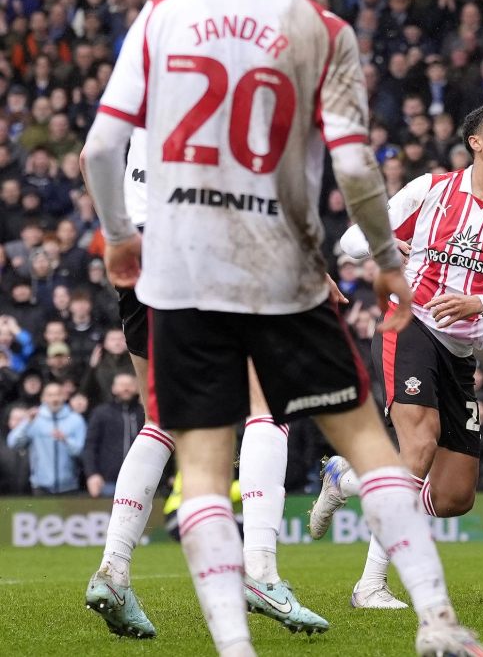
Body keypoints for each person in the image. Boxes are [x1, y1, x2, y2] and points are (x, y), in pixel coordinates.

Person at [80, 0, 483, 657]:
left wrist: (119, 241)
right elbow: (357, 165)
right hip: (280, 267)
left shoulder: (162, 15)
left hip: (178, 270)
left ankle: (233, 646)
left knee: (196, 460)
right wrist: (386, 257)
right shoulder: (322, 29)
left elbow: (100, 147)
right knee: (369, 448)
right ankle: (437, 622)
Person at [83, 128, 331, 639]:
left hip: (138, 249)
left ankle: (113, 571)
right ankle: (260, 570)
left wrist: (115, 233)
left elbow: (92, 155)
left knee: (161, 420)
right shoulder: (234, 71)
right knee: (268, 403)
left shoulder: (147, 73)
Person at [311, 101, 483, 609]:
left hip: (463, 351)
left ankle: (347, 479)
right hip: (411, 323)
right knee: (417, 445)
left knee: (452, 498)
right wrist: (383, 247)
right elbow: (353, 240)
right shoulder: (431, 189)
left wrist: (477, 302)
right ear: (476, 142)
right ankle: (370, 586)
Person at [4, 379, 85, 494]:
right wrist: (27, 423)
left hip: (69, 486)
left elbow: (81, 451)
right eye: (50, 395)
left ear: (64, 397)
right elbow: (13, 443)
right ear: (43, 398)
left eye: (58, 394)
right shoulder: (34, 419)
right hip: (41, 487)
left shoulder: (76, 420)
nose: (54, 399)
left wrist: (66, 440)